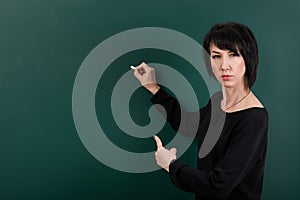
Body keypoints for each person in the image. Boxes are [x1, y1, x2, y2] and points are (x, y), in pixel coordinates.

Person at [132, 22, 268, 200]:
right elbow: (190, 125)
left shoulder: (254, 118)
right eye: (216, 56)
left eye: (233, 55)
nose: (224, 66)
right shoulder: (219, 101)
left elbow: (219, 185)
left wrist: (171, 165)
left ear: (248, 58)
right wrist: (154, 89)